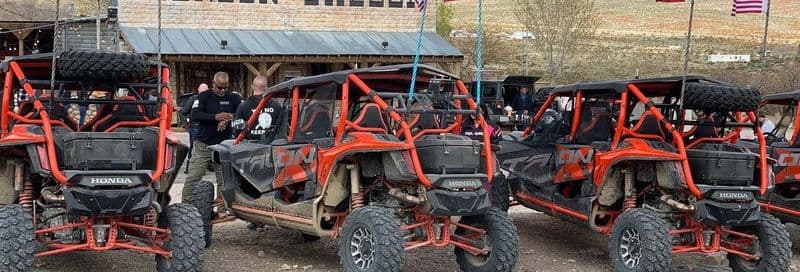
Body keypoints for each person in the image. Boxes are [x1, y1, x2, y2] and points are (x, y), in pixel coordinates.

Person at [183, 72, 242, 203]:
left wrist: (227, 118)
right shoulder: (203, 97)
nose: (222, 91)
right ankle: (185, 204)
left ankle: (222, 208)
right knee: (194, 176)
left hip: (223, 147)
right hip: (204, 144)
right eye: (219, 87)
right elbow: (194, 115)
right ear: (213, 83)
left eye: (225, 88)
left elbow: (241, 113)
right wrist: (215, 117)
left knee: (224, 180)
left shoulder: (234, 98)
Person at [235, 76, 285, 142]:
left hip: (249, 147)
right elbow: (282, 128)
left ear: (252, 87)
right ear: (267, 88)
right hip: (271, 146)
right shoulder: (277, 106)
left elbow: (237, 129)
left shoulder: (243, 106)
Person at [181, 83, 209, 173]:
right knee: (206, 147)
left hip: (195, 127)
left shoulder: (193, 98)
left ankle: (189, 168)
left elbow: (185, 111)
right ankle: (204, 168)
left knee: (193, 147)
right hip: (206, 127)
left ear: (198, 90)